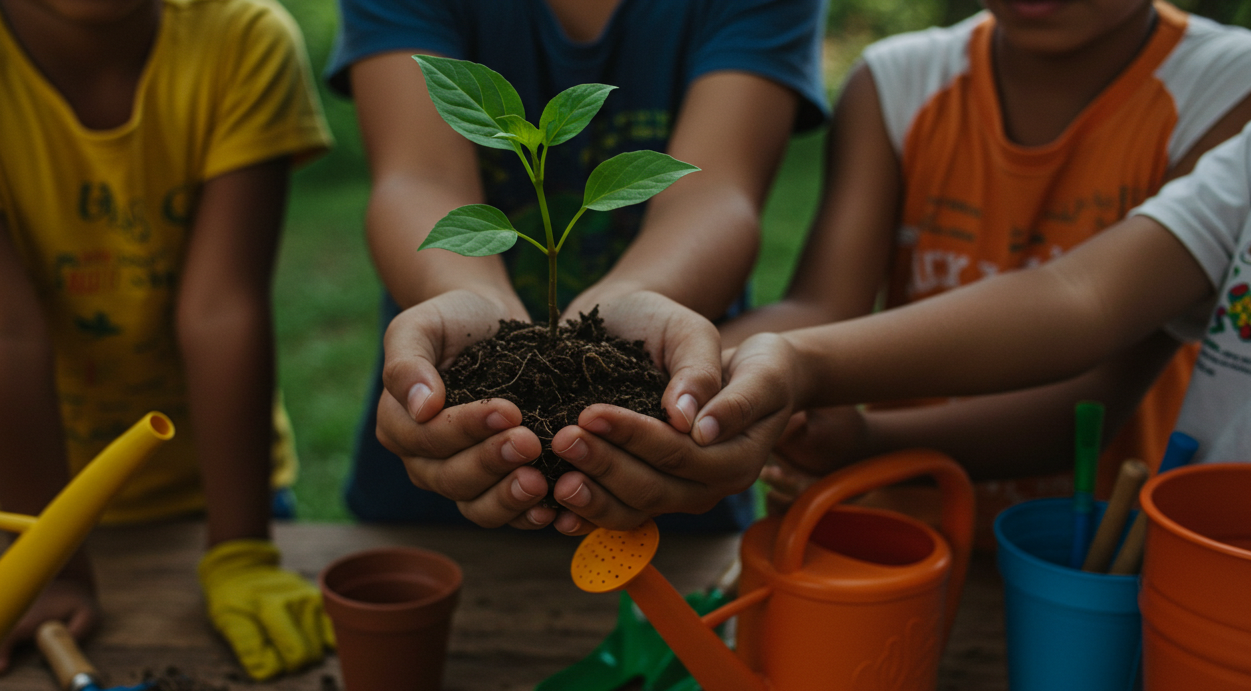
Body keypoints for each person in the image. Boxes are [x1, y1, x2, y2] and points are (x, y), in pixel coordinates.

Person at [0, 0, 335, 681]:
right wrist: (45, 569)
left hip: (212, 495)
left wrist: (242, 551)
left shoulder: (245, 38)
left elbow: (222, 310)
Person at [718, 0, 1251, 540]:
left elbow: (1090, 392)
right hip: (896, 536)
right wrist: (685, 364)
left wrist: (864, 439)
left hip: (1097, 555)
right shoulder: (898, 80)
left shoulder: (1228, 87)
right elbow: (819, 309)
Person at [324, 0, 827, 536]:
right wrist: (462, 290)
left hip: (667, 481)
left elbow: (713, 192)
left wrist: (635, 296)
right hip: (434, 491)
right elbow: (417, 176)